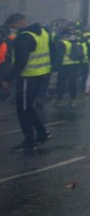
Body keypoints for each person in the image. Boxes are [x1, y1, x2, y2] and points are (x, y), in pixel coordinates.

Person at [3, 13, 54, 153]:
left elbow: (21, 61)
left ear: (20, 23)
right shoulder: (43, 32)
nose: (12, 30)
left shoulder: (23, 37)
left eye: (12, 27)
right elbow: (52, 50)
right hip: (41, 74)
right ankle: (42, 133)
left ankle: (30, 140)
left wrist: (8, 79)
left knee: (23, 110)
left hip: (28, 76)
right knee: (28, 107)